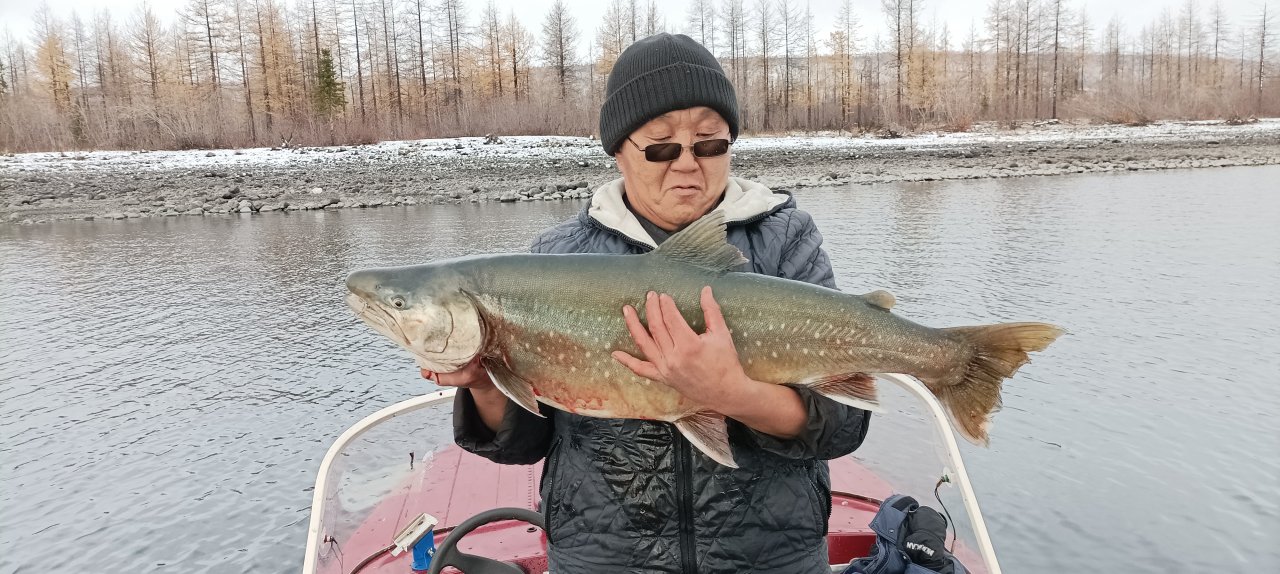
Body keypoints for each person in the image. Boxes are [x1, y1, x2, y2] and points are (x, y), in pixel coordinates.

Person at [428, 33, 870, 574]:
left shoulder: (786, 241)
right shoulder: (559, 257)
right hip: (603, 557)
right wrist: (482, 383)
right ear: (618, 150)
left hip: (772, 556)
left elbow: (842, 426)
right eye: (661, 146)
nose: (687, 164)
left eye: (709, 143)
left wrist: (733, 394)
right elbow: (524, 443)